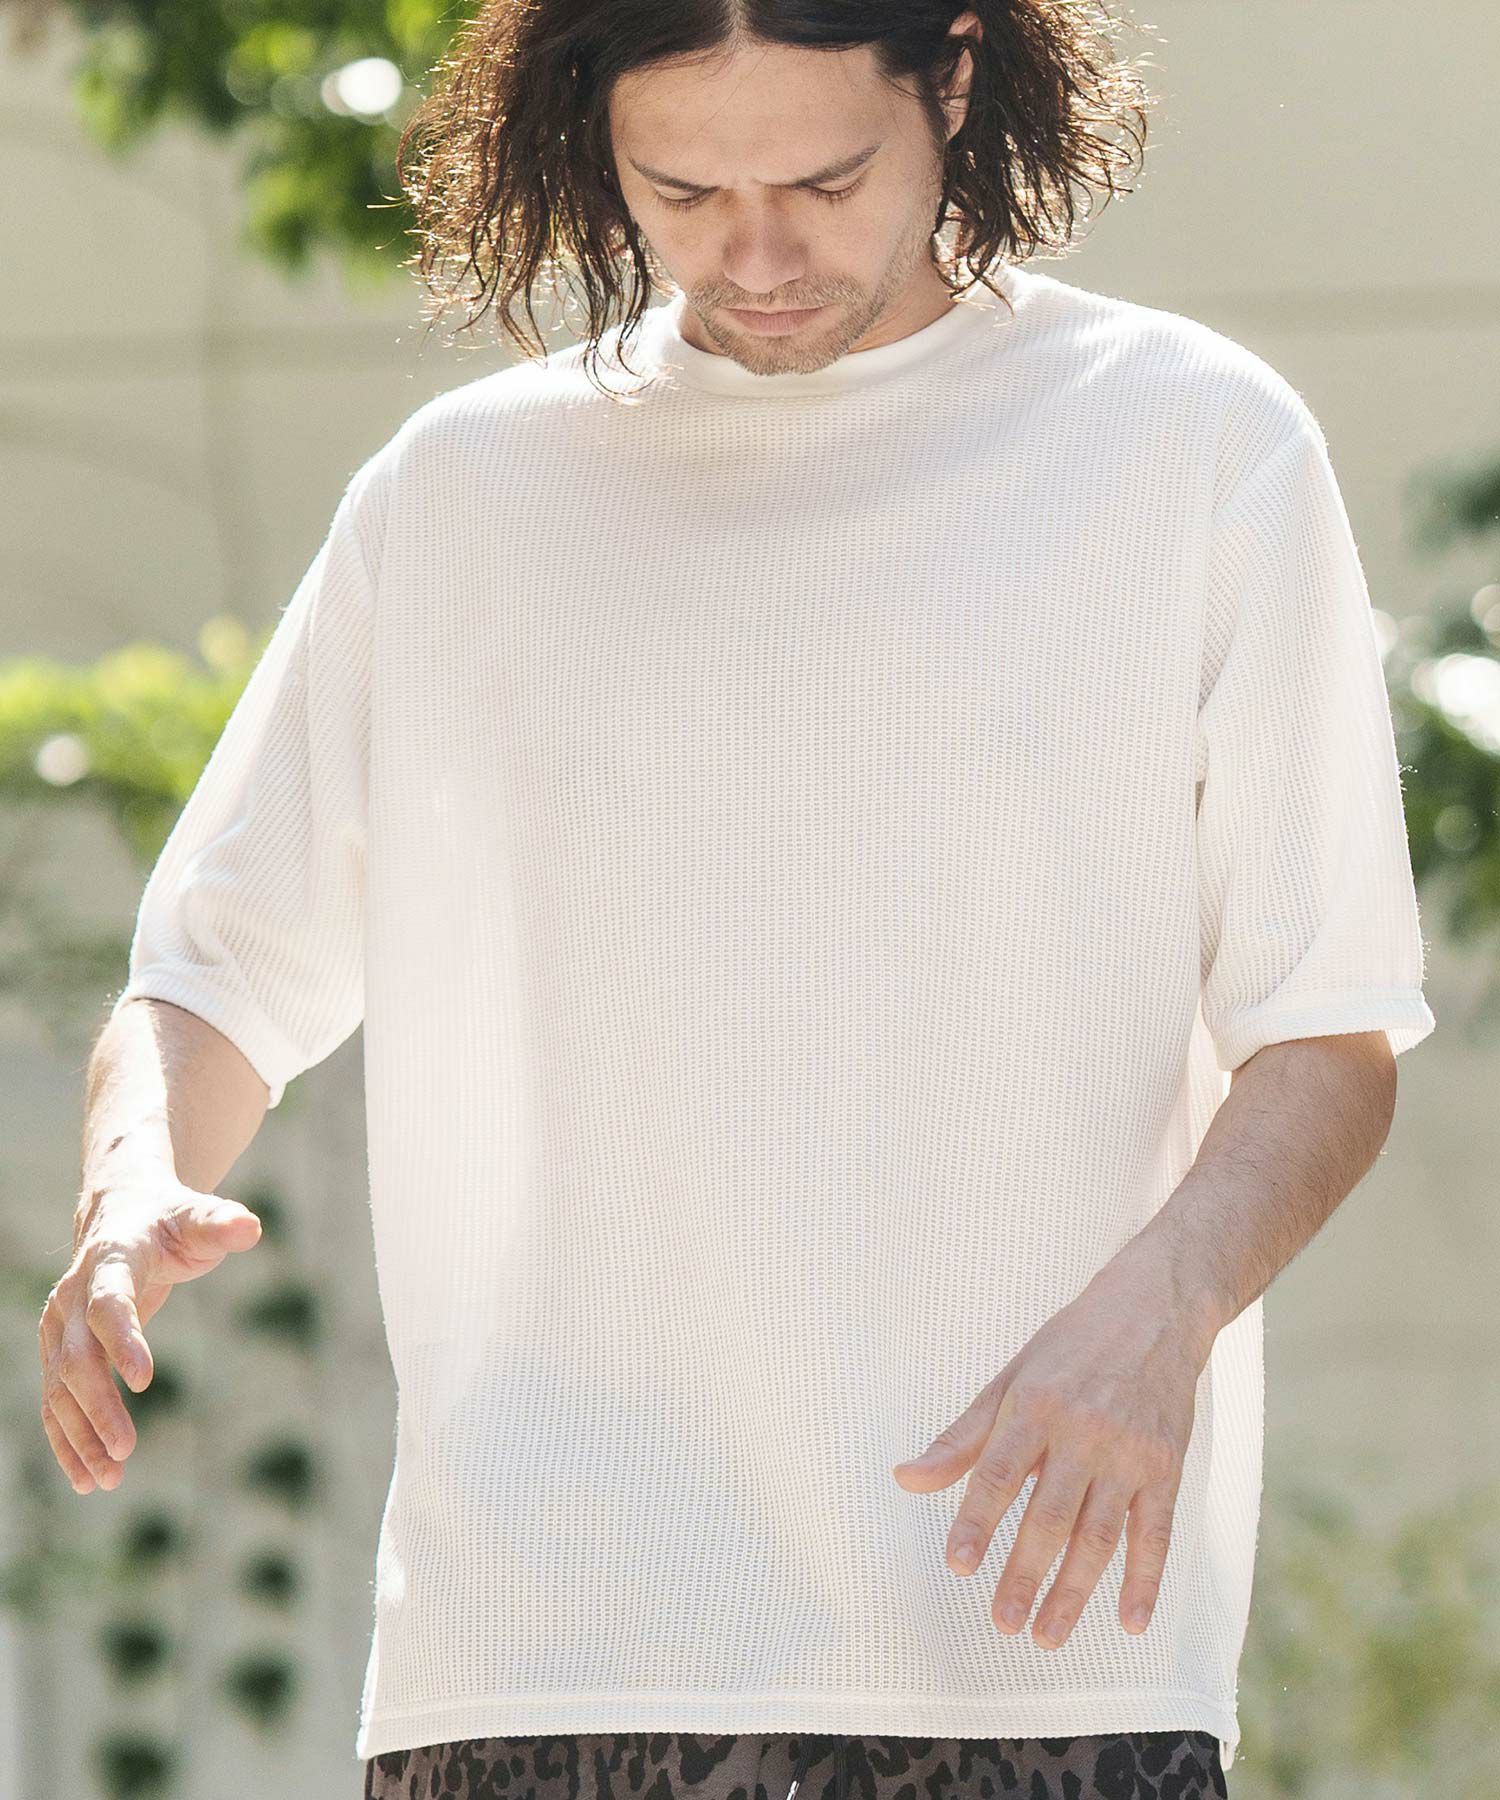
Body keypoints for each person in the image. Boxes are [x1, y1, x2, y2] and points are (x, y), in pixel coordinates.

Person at [45, 5, 1436, 1798]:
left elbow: (1328, 1029)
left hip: (1030, 1642)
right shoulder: (459, 495)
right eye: (684, 194)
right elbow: (214, 974)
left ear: (953, 79)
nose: (757, 257)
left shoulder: (1194, 445)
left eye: (824, 183)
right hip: (539, 1647)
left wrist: (1167, 1308)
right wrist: (131, 1180)